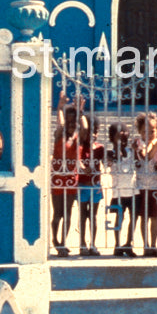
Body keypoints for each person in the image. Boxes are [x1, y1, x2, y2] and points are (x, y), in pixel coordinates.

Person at [51, 91, 84, 257]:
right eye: (69, 119)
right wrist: (60, 107)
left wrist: (81, 111)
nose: (71, 123)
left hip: (72, 179)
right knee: (58, 213)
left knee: (68, 214)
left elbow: (84, 127)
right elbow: (61, 124)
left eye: (74, 120)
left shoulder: (78, 138)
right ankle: (55, 241)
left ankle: (63, 242)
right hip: (57, 179)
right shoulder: (59, 136)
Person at [133, 111, 157, 257]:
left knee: (155, 217)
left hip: (156, 186)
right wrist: (156, 143)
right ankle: (146, 245)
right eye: (144, 131)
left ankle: (154, 244)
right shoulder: (138, 144)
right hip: (142, 186)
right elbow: (146, 158)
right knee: (144, 217)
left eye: (152, 131)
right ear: (139, 132)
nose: (148, 134)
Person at [106, 122, 136, 257]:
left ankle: (128, 243)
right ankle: (117, 245)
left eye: (125, 136)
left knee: (133, 218)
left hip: (133, 190)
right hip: (118, 191)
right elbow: (110, 162)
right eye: (119, 136)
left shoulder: (131, 151)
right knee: (119, 218)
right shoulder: (109, 153)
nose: (123, 139)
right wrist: (118, 147)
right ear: (112, 138)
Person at [78, 118, 104, 256]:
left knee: (93, 216)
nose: (93, 135)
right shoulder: (81, 147)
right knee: (83, 215)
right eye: (90, 132)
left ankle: (93, 244)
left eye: (95, 132)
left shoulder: (100, 148)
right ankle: (82, 244)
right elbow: (77, 160)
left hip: (95, 185)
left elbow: (106, 162)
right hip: (83, 185)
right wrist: (83, 168)